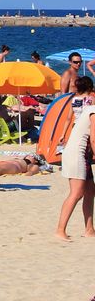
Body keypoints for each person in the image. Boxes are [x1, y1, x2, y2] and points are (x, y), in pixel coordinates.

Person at [56, 76, 95, 241]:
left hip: (78, 150)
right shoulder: (92, 108)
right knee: (76, 193)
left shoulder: (78, 101)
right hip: (76, 153)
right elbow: (93, 139)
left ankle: (89, 229)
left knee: (90, 191)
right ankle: (60, 230)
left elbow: (68, 119)